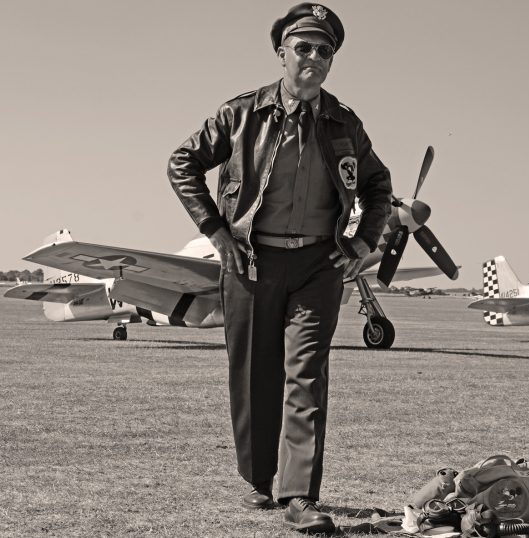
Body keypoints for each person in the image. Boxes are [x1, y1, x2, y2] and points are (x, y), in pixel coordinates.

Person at [167, 3, 392, 533]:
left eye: (325, 51)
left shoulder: (345, 123)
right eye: (304, 47)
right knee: (252, 376)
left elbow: (378, 186)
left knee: (306, 376)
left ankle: (299, 496)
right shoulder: (240, 114)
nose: (314, 57)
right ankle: (257, 479)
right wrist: (216, 233)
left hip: (318, 265)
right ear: (281, 53)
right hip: (250, 261)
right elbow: (183, 162)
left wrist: (362, 242)